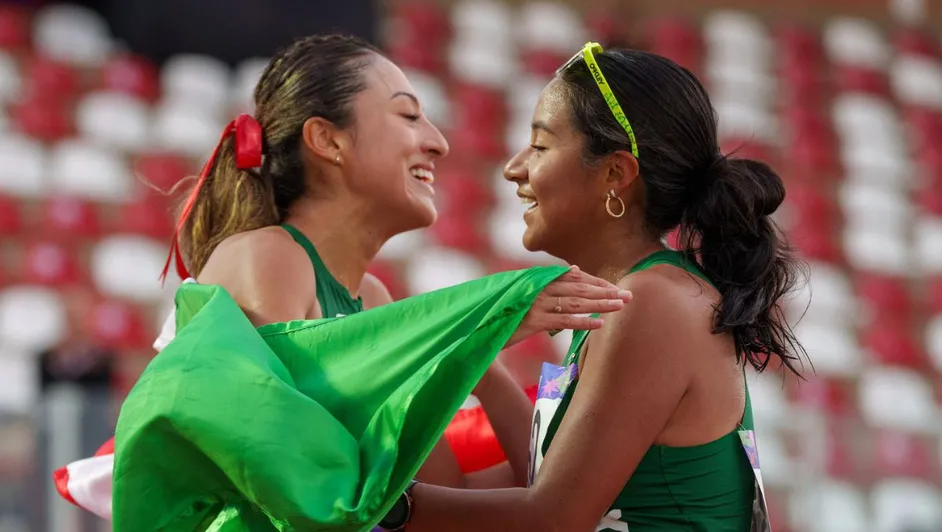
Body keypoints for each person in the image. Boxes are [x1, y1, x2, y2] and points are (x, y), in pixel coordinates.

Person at [98, 34, 633, 531]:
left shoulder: (372, 298)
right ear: (327, 139)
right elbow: (296, 475)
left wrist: (480, 355)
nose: (439, 143)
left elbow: (444, 495)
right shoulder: (267, 257)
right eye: (408, 115)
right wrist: (463, 326)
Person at [384, 42, 807, 532]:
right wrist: (478, 362)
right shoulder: (632, 298)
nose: (514, 168)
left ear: (614, 174)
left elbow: (553, 517)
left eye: (540, 146)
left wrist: (373, 508)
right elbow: (528, 488)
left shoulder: (652, 303)